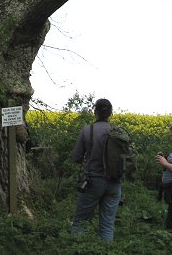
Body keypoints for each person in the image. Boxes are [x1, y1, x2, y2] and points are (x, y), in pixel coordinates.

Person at [71, 98, 122, 242]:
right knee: (107, 225)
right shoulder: (117, 130)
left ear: (95, 112)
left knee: (80, 222)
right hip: (115, 183)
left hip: (93, 181)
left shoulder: (88, 129)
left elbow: (76, 157)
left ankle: (77, 250)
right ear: (111, 113)